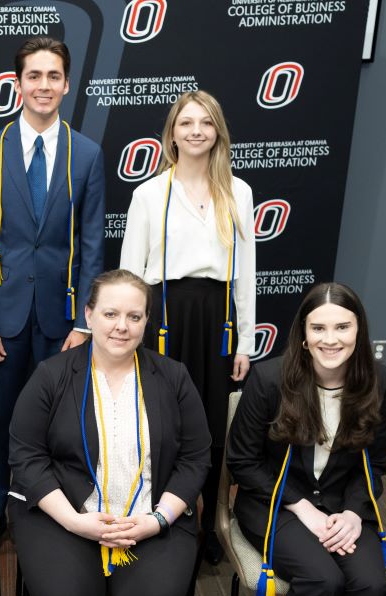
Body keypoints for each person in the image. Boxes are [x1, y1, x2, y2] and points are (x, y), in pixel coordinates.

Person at [7, 269, 211, 596]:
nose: (122, 326)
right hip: (64, 515)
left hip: (152, 516)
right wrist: (76, 522)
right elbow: (26, 455)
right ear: (89, 316)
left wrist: (158, 520)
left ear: (146, 322)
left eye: (134, 316)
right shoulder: (53, 375)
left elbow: (197, 457)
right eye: (111, 313)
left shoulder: (173, 377)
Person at [226, 282, 386, 596]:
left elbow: (377, 463)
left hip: (343, 508)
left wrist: (352, 513)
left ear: (359, 331)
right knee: (322, 580)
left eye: (342, 327)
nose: (331, 338)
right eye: (318, 328)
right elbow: (243, 463)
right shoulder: (268, 381)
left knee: (368, 582)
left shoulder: (383, 383)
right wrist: (300, 506)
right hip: (275, 504)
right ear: (302, 335)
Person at [0, 36, 106, 535]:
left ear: (66, 84)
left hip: (62, 319)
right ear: (17, 84)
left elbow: (92, 248)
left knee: (61, 422)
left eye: (53, 76)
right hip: (2, 320)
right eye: (33, 76)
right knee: (1, 420)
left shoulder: (86, 154)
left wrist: (84, 325)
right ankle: (0, 506)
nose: (43, 86)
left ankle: (56, 508)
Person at [121, 89, 256, 564]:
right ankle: (165, 519)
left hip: (216, 319)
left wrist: (245, 338)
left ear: (217, 131)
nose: (196, 130)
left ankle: (209, 523)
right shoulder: (149, 193)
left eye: (205, 122)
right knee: (165, 420)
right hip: (165, 317)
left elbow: (246, 273)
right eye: (186, 123)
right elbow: (130, 275)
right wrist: (127, 332)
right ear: (172, 133)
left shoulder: (238, 191)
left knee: (212, 424)